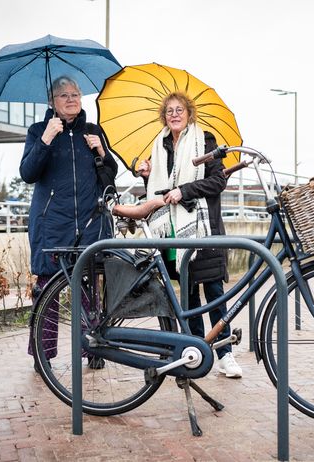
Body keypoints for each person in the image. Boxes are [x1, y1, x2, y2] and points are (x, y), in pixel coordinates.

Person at [130, 91, 242, 378]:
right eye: (169, 111)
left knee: (214, 292)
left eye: (180, 109)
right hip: (171, 230)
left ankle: (225, 354)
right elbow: (165, 186)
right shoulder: (160, 145)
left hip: (203, 229)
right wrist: (146, 174)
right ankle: (195, 351)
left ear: (189, 113)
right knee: (188, 294)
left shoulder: (205, 141)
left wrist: (185, 192)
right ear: (164, 116)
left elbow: (218, 181)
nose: (175, 114)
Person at [20, 76, 118, 370]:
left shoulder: (93, 131)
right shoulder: (39, 131)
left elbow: (110, 176)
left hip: (89, 222)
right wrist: (46, 139)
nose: (71, 99)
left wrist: (101, 151)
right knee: (47, 290)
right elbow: (28, 172)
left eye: (75, 94)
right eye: (64, 95)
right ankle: (43, 353)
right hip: (52, 223)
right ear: (52, 102)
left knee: (89, 290)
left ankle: (94, 348)